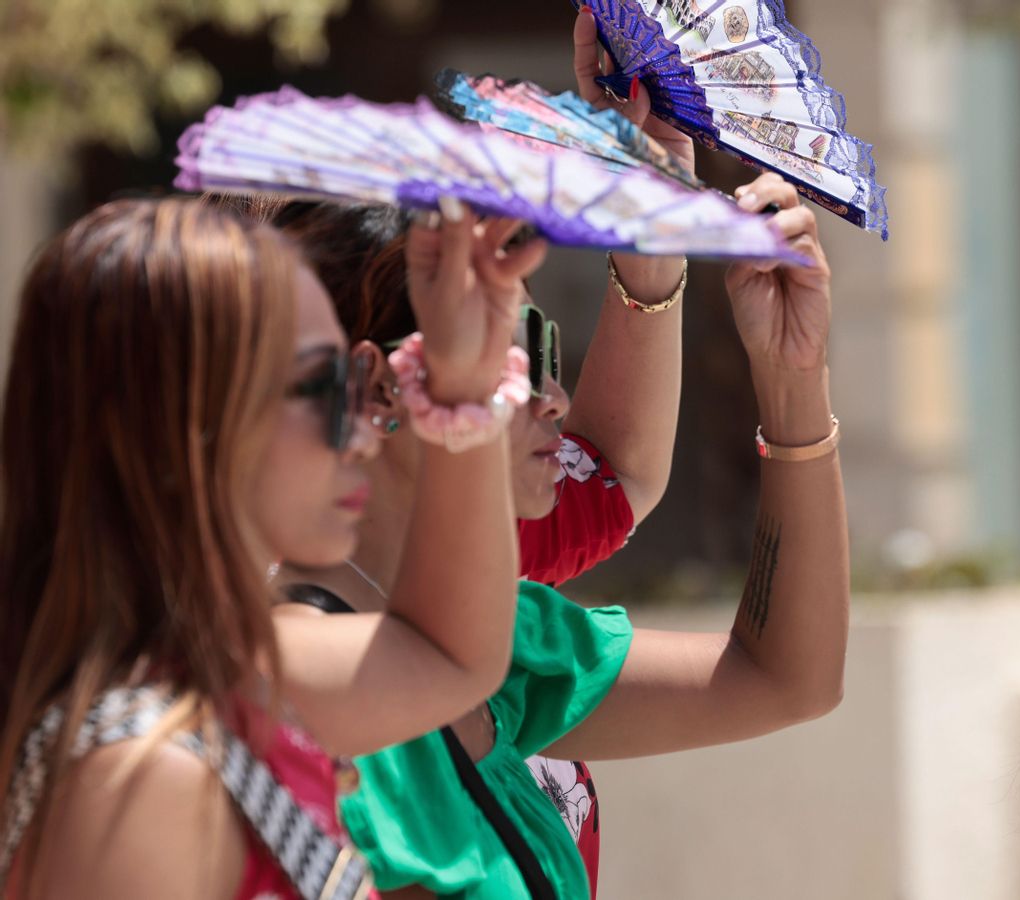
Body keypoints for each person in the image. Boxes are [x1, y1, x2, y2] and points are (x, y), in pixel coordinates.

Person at [263, 165, 846, 900]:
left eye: (544, 348)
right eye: (514, 353)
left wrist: (792, 375)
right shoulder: (289, 679)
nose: (555, 397)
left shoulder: (488, 636)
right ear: (380, 386)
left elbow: (784, 680)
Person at [0, 197, 542, 898]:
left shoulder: (217, 668)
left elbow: (453, 655)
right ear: (191, 422)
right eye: (325, 387)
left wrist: (464, 382)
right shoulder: (140, 782)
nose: (364, 431)